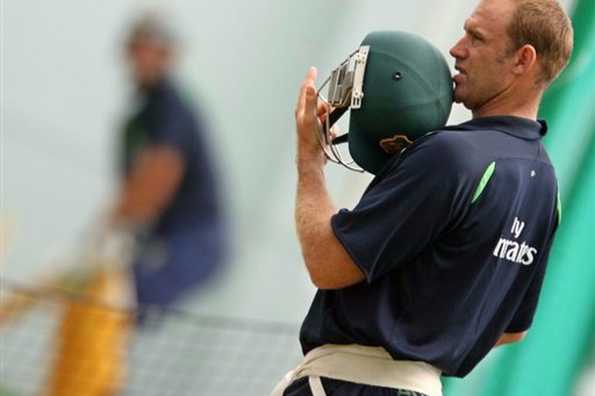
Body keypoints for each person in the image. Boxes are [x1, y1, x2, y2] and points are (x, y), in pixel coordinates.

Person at [275, 0, 573, 395]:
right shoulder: (545, 184)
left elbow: (327, 264)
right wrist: (427, 325)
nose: (456, 48)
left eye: (476, 37)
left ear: (522, 60)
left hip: (351, 385)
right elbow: (511, 328)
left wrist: (309, 161)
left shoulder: (449, 155)